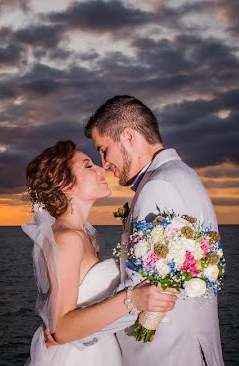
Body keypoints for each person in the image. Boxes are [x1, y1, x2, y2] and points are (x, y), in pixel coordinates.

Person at [84, 95, 224, 365]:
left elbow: (140, 293)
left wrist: (80, 333)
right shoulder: (184, 175)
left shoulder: (158, 187)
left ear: (128, 136)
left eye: (104, 149)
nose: (104, 163)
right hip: (192, 346)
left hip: (166, 352)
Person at [23, 140, 178, 366]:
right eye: (88, 166)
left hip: (99, 350)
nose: (101, 168)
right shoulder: (68, 239)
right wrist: (132, 299)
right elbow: (62, 330)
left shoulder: (85, 234)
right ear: (64, 184)